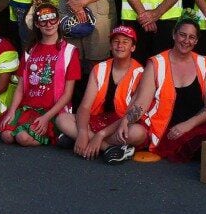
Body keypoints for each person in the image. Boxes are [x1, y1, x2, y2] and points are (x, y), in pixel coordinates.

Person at [125, 16, 206, 162]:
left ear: (197, 41)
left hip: (196, 124)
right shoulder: (156, 63)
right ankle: (105, 144)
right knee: (131, 133)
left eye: (192, 37)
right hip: (165, 128)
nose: (186, 41)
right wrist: (122, 124)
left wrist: (187, 125)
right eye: (182, 35)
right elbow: (141, 103)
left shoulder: (203, 62)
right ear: (174, 34)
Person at [56, 25, 147, 163]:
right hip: (97, 120)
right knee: (61, 119)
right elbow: (85, 106)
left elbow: (132, 114)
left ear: (133, 47)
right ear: (110, 46)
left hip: (121, 123)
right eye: (116, 41)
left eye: (125, 42)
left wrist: (100, 135)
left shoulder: (141, 73)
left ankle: (83, 141)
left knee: (139, 133)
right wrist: (82, 132)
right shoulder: (99, 68)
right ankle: (108, 148)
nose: (119, 45)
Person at [0, 1, 80, 147]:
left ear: (58, 21)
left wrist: (47, 117)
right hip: (28, 108)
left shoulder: (69, 51)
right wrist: (12, 111)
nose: (49, 25)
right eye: (43, 21)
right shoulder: (30, 50)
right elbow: (21, 87)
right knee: (7, 136)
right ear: (37, 24)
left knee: (23, 138)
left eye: (52, 19)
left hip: (53, 111)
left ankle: (55, 133)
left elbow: (68, 95)